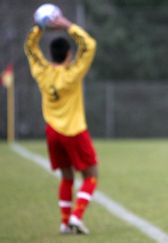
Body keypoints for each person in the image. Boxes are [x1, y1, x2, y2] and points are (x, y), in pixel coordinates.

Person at [24, 15, 98, 235]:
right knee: (91, 176)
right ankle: (76, 217)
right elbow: (90, 45)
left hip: (52, 132)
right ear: (69, 54)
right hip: (74, 131)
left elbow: (29, 48)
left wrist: (39, 27)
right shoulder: (72, 74)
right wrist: (67, 25)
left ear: (51, 55)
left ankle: (64, 223)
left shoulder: (41, 72)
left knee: (66, 177)